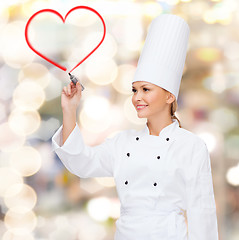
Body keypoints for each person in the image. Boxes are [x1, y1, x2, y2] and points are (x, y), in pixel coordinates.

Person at [52, 14, 219, 240]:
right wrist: (69, 109)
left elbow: (202, 213)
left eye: (146, 90)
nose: (137, 97)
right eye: (134, 90)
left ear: (170, 95)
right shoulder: (122, 142)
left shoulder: (191, 146)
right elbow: (81, 162)